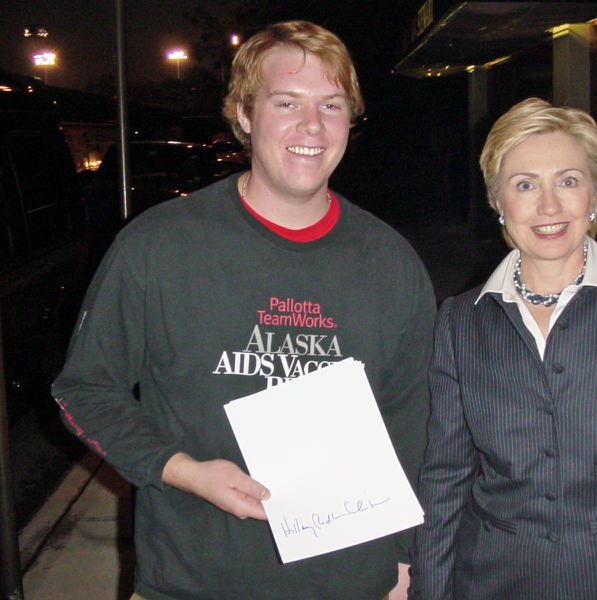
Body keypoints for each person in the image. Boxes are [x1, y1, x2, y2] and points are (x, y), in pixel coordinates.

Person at [53, 21, 436, 600]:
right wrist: (183, 470)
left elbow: (414, 422)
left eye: (331, 105)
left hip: (349, 582)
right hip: (192, 581)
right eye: (287, 101)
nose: (312, 125)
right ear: (246, 116)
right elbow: (83, 392)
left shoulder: (392, 262)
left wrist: (404, 561)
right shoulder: (157, 247)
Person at [409, 98, 597, 599]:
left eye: (569, 181)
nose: (549, 206)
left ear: (594, 195)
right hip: (492, 578)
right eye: (525, 184)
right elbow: (445, 477)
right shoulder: (460, 321)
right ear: (498, 201)